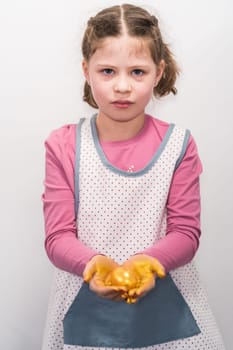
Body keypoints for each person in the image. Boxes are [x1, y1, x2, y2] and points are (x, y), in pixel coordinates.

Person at [42, 3, 225, 350]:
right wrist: (94, 264)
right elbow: (57, 236)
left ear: (158, 72)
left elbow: (186, 232)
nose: (122, 86)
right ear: (86, 70)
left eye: (137, 72)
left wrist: (147, 263)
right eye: (108, 71)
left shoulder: (178, 144)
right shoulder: (63, 144)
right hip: (86, 306)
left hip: (168, 308)